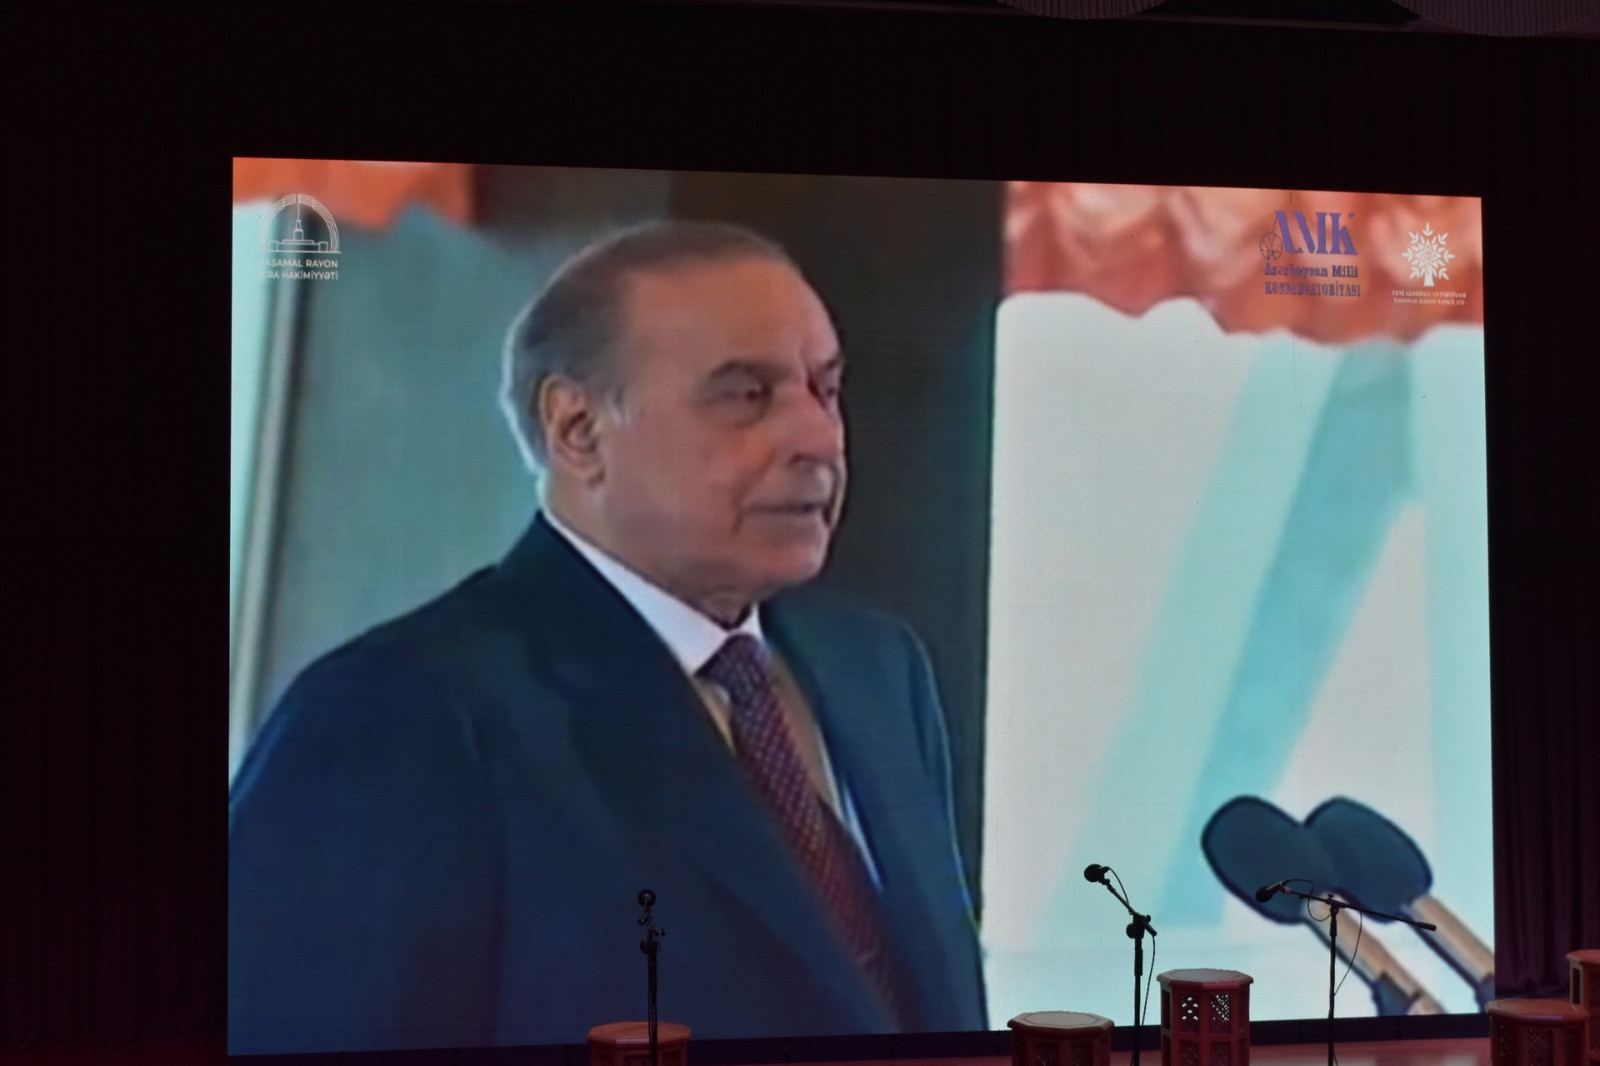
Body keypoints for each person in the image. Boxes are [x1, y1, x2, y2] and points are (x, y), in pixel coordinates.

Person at [227, 221, 987, 1054]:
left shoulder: (877, 671)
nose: (817, 439)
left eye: (825, 389)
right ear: (577, 430)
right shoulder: (396, 716)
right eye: (746, 396)